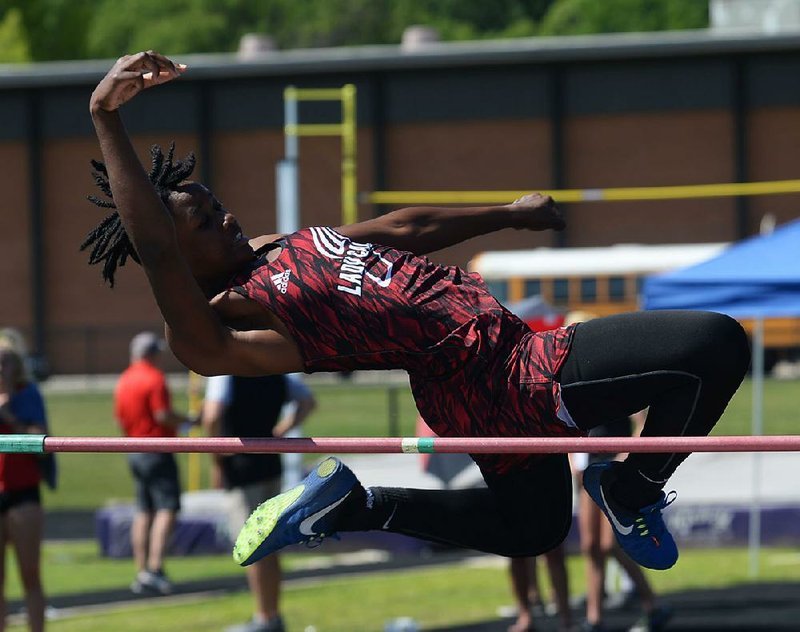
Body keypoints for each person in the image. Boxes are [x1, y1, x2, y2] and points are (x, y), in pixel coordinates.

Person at [83, 52, 751, 581]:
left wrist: (508, 215)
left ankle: (359, 505)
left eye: (217, 203)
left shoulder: (273, 250)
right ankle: (633, 491)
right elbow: (155, 248)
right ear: (173, 250)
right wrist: (106, 117)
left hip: (493, 362)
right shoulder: (221, 328)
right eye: (204, 221)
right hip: (505, 374)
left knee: (535, 529)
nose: (227, 217)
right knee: (716, 345)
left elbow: (398, 229)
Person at [200, 373, 316, 632]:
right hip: (270, 464)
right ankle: (271, 616)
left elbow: (211, 416)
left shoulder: (224, 375)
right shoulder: (273, 372)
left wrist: (217, 459)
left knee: (253, 547)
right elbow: (308, 402)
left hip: (242, 470)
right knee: (268, 546)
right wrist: (277, 433)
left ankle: (265, 618)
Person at [573, 411, 672, 632]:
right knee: (591, 547)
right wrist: (573, 459)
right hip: (587, 469)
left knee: (612, 545)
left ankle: (653, 605)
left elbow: (644, 424)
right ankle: (594, 618)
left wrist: (623, 456)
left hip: (613, 471)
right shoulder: (578, 389)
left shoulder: (622, 385)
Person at [114, 331, 193, 595]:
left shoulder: (124, 379)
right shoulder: (154, 379)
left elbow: (120, 418)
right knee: (166, 508)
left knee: (143, 510)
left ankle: (141, 571)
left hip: (134, 449)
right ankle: (155, 567)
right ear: (152, 353)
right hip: (156, 449)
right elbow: (162, 414)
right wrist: (188, 420)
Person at [0, 338, 48, 632]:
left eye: (5, 361)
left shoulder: (27, 394)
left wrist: (7, 413)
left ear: (16, 366)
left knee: (30, 574)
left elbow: (39, 441)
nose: (0, 367)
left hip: (23, 492)